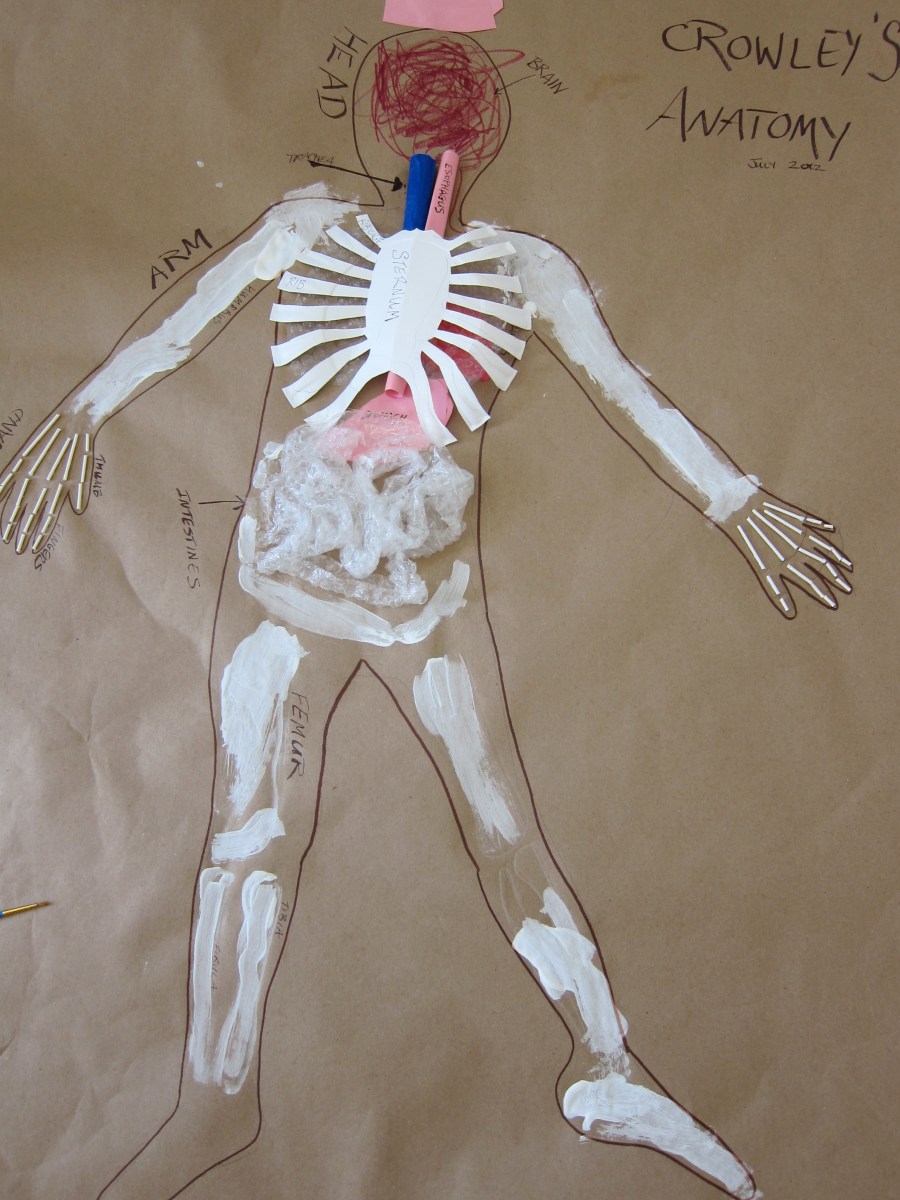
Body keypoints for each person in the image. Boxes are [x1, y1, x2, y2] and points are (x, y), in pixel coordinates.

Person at [1, 31, 851, 1200]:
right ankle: (217, 1100)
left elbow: (626, 395)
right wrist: (84, 408)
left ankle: (602, 1059)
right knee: (268, 837)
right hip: (286, 591)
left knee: (481, 829)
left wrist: (735, 498)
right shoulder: (314, 232)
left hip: (419, 602)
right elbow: (183, 323)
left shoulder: (515, 269)